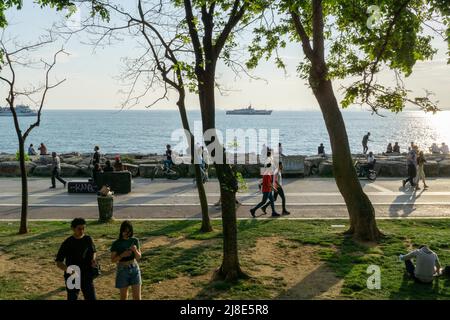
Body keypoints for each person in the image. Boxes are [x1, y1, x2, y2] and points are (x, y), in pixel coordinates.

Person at [55, 218, 98, 300]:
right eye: (79, 229)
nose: (82, 231)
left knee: (91, 297)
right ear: (73, 228)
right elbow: (58, 262)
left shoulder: (88, 239)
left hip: (86, 273)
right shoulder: (67, 243)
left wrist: (93, 259)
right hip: (72, 275)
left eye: (83, 228)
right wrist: (69, 270)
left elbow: (93, 251)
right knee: (72, 298)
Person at [111, 221, 142, 300]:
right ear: (121, 231)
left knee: (137, 297)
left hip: (134, 268)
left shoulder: (135, 240)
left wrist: (135, 250)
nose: (127, 233)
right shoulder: (116, 243)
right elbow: (113, 260)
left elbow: (138, 257)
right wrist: (122, 255)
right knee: (124, 297)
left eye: (129, 231)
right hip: (122, 269)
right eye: (125, 231)